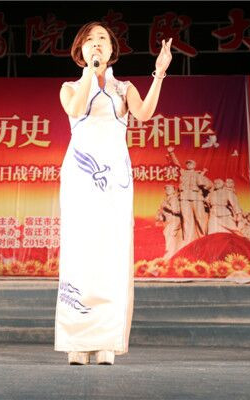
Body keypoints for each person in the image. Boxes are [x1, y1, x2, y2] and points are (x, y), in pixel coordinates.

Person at [55, 21, 172, 365]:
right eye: (90, 40)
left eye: (102, 39)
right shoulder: (68, 88)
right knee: (79, 251)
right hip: (80, 176)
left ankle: (106, 340)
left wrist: (159, 73)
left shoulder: (124, 88)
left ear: (111, 49)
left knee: (111, 252)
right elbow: (76, 109)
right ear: (81, 50)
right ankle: (77, 342)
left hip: (116, 179)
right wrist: (90, 75)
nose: (96, 43)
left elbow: (144, 113)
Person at [157, 184, 183, 260]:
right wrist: (160, 215)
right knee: (167, 235)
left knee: (170, 236)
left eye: (170, 189)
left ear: (173, 190)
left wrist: (166, 206)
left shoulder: (174, 199)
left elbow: (177, 211)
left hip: (174, 220)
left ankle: (170, 255)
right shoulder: (166, 199)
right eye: (166, 189)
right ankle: (171, 254)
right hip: (169, 221)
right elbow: (161, 211)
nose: (167, 190)